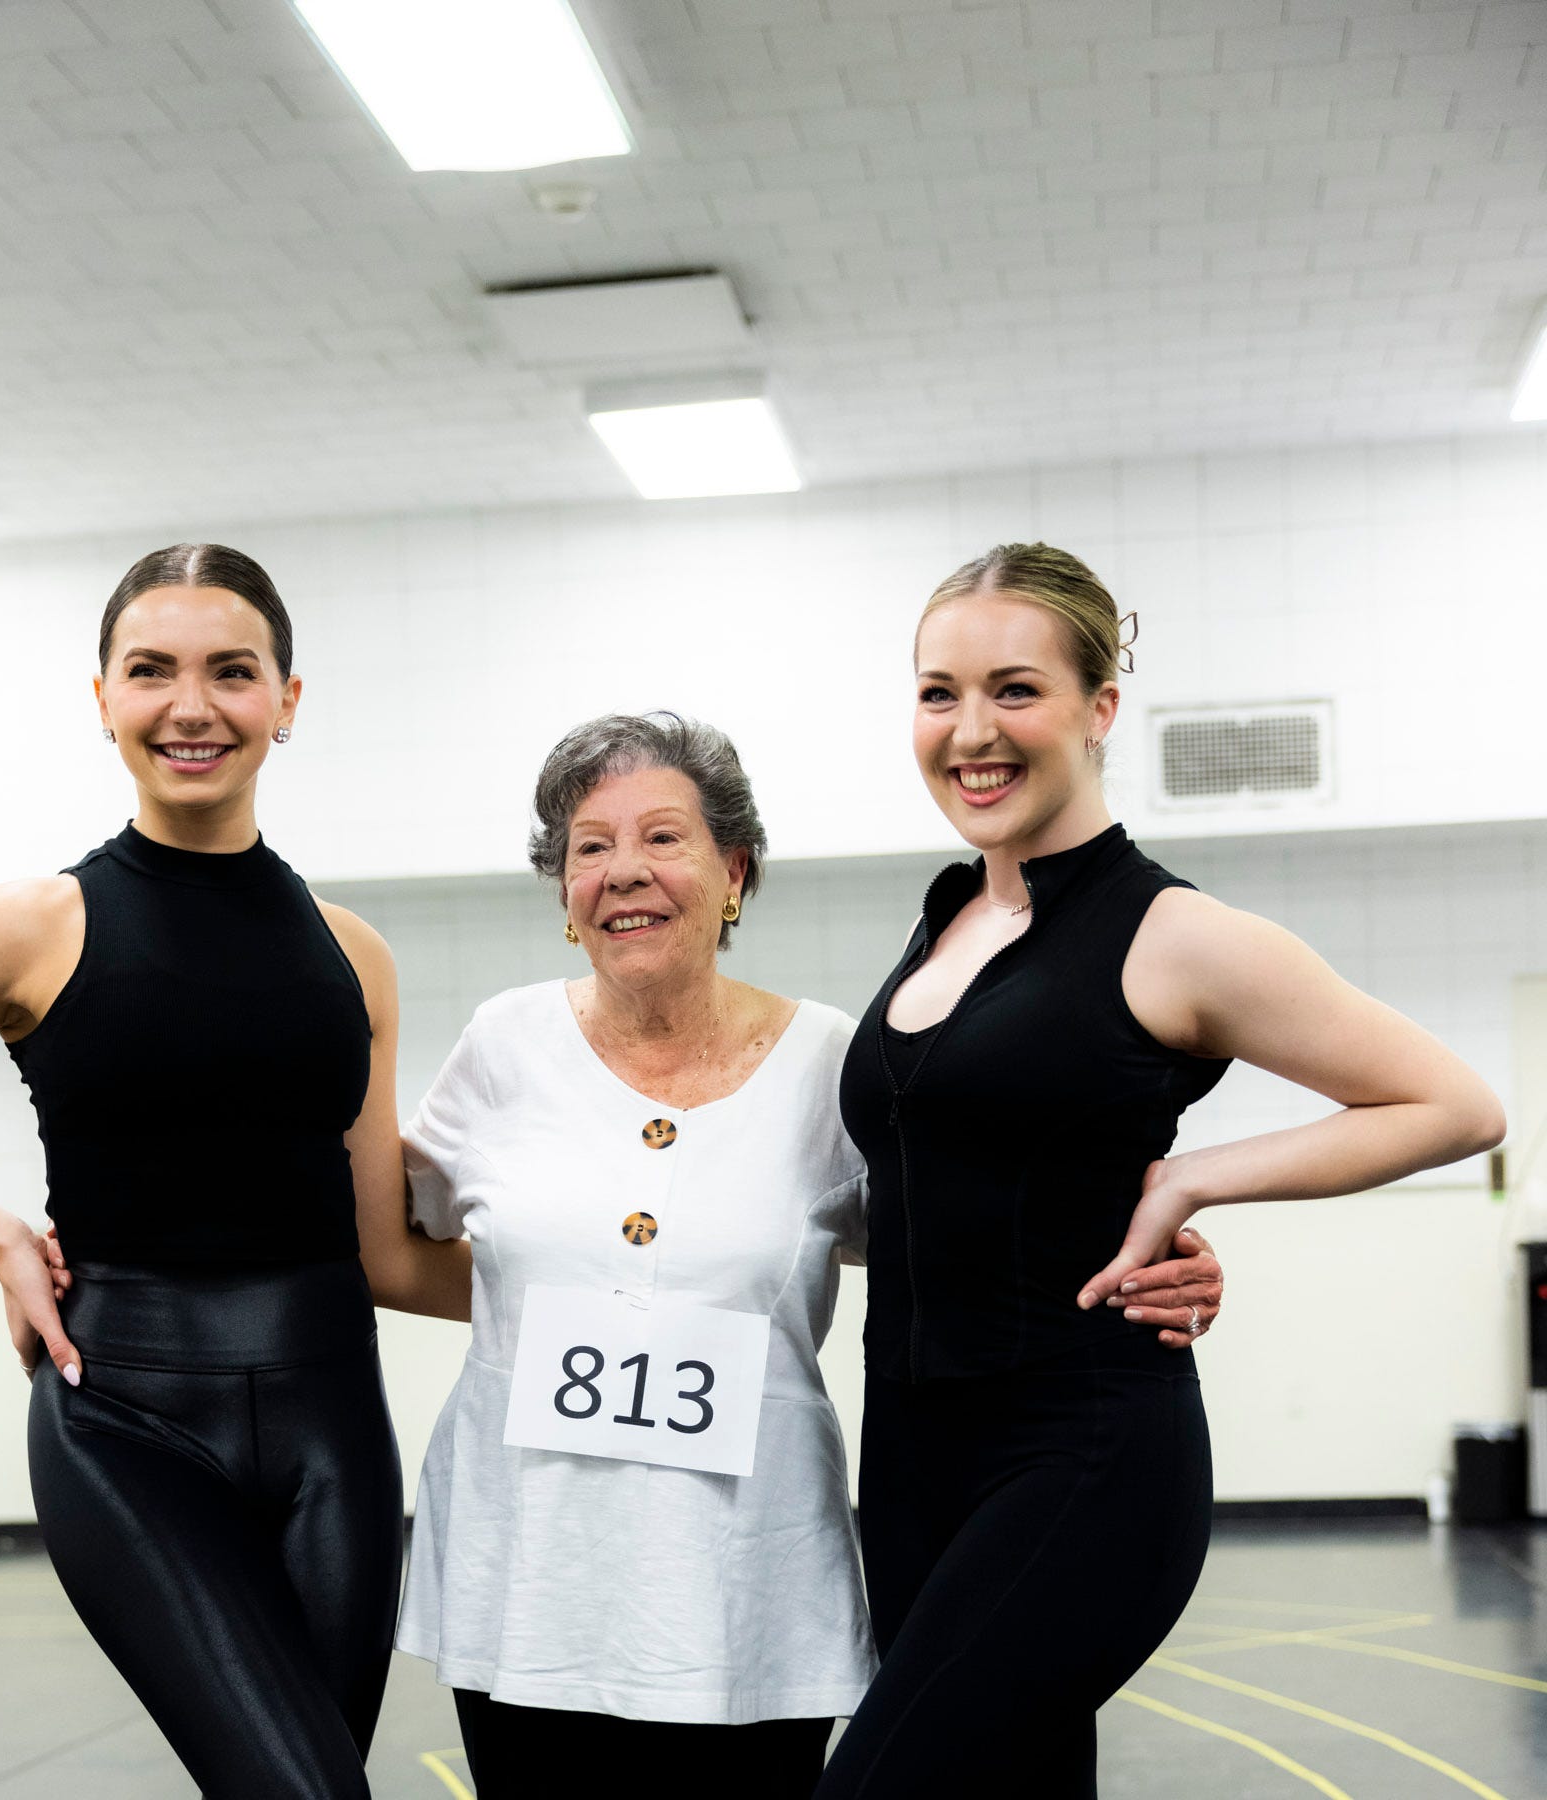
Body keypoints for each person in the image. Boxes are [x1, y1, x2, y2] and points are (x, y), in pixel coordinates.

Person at [393, 712, 1223, 1800]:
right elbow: (381, 1238)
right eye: (589, 846)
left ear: (734, 871)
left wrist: (1158, 1245)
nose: (623, 872)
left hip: (749, 1587)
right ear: (562, 889)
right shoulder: (503, 1047)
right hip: (532, 1575)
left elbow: (974, 1233)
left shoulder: (831, 1060)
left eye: (663, 839)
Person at [0, 544, 467, 1800]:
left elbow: (381, 1246)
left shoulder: (351, 954)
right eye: (152, 671)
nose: (191, 707)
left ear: (287, 701)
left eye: (232, 672)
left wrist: (623, 1274)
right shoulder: (34, 924)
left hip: (331, 1421)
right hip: (126, 1418)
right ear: (102, 699)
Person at [815, 543, 1506, 1797]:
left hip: (1080, 1451)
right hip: (912, 1449)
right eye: (938, 692)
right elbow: (948, 1180)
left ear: (1099, 707)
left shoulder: (1173, 933)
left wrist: (1190, 1185)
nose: (971, 730)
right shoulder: (946, 919)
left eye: (1015, 689)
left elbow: (1452, 1105)